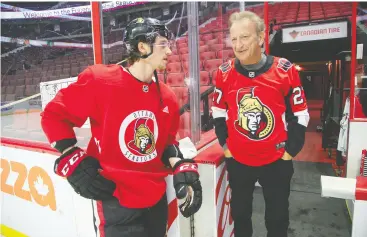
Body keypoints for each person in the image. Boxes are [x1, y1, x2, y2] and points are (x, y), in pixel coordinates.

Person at [41, 17, 202, 237]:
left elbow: (165, 144)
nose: (169, 51)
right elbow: (53, 115)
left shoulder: (168, 97)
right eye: (163, 44)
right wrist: (71, 156)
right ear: (143, 46)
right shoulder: (100, 80)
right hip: (115, 198)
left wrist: (181, 165)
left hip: (155, 199)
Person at [211, 11, 309, 237]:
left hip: (276, 161)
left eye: (244, 37)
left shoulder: (285, 70)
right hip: (239, 161)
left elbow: (300, 114)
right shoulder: (224, 73)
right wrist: (226, 147)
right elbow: (218, 112)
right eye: (234, 39)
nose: (238, 44)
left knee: (277, 219)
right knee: (241, 215)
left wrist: (289, 151)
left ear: (261, 37)